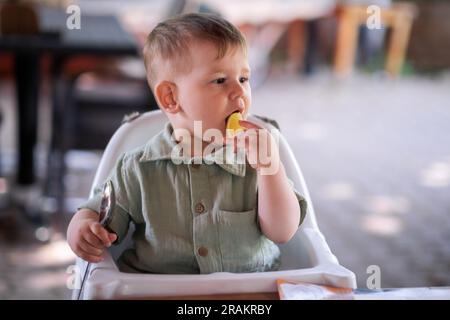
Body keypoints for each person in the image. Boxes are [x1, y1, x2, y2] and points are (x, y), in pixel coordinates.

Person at [67, 13, 307, 274]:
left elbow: (283, 232)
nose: (239, 92)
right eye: (219, 80)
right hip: (161, 293)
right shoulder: (137, 169)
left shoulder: (257, 159)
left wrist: (270, 169)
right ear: (170, 97)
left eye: (243, 79)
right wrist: (82, 229)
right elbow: (95, 214)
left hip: (246, 294)